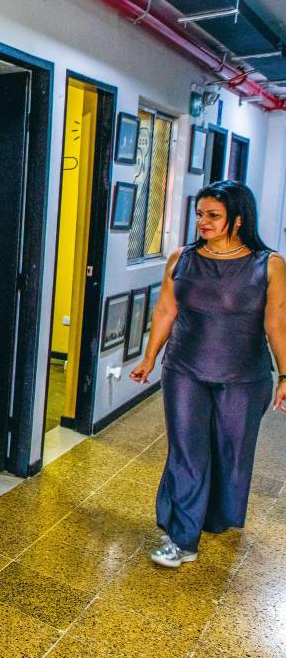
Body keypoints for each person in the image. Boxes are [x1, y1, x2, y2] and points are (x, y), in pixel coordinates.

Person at [130, 181, 286, 568]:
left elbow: (277, 323)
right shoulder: (181, 258)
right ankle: (182, 538)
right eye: (200, 214)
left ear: (237, 218)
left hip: (244, 377)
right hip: (184, 369)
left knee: (230, 453)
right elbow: (166, 311)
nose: (202, 221)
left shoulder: (268, 264)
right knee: (187, 451)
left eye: (213, 215)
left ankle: (212, 516)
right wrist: (149, 358)